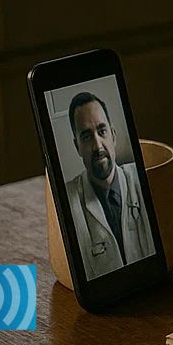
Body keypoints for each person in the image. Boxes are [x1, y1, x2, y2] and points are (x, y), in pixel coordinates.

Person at [63, 91, 154, 280]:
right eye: (87, 136)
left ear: (113, 135)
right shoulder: (67, 200)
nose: (98, 146)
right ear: (77, 146)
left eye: (102, 131)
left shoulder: (143, 176)